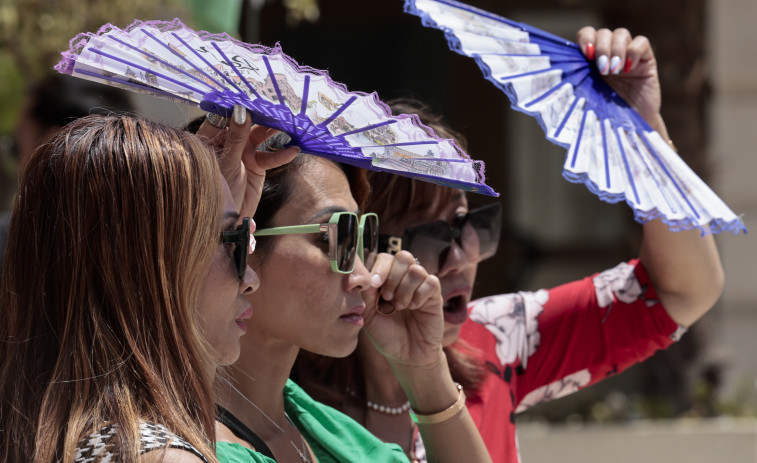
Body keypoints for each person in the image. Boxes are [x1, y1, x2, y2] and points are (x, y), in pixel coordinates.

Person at [291, 27, 725, 462]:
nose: (464, 256)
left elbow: (679, 292)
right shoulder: (288, 395)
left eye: (468, 225)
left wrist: (642, 128)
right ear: (362, 247)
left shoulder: (494, 340)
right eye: (433, 236)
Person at [0, 107, 298, 462]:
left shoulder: (45, 426)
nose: (250, 279)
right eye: (227, 242)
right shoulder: (162, 457)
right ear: (147, 266)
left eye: (242, 239)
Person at [209, 148, 492, 463]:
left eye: (361, 237)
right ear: (239, 245)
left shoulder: (327, 431)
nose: (362, 274)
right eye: (332, 238)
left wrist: (424, 369)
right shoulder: (191, 449)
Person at [0, 73, 134, 267]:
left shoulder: (12, 244)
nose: (19, 167)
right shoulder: (155, 248)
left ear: (52, 144)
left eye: (16, 148)